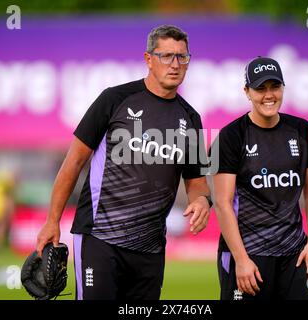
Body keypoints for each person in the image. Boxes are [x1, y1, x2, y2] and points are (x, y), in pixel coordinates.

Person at [36, 25, 212, 300]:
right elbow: (73, 162)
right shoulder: (114, 99)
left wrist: (201, 200)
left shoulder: (190, 119)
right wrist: (52, 221)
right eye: (166, 56)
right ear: (148, 59)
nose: (175, 64)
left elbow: (197, 183)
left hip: (150, 248)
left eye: (182, 57)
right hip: (100, 238)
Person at [211, 56, 308, 300]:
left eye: (275, 87)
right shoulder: (230, 137)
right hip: (249, 256)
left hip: (294, 254)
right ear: (247, 92)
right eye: (260, 88)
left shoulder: (302, 131)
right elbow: (222, 202)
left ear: (283, 88)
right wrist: (241, 260)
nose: (269, 95)